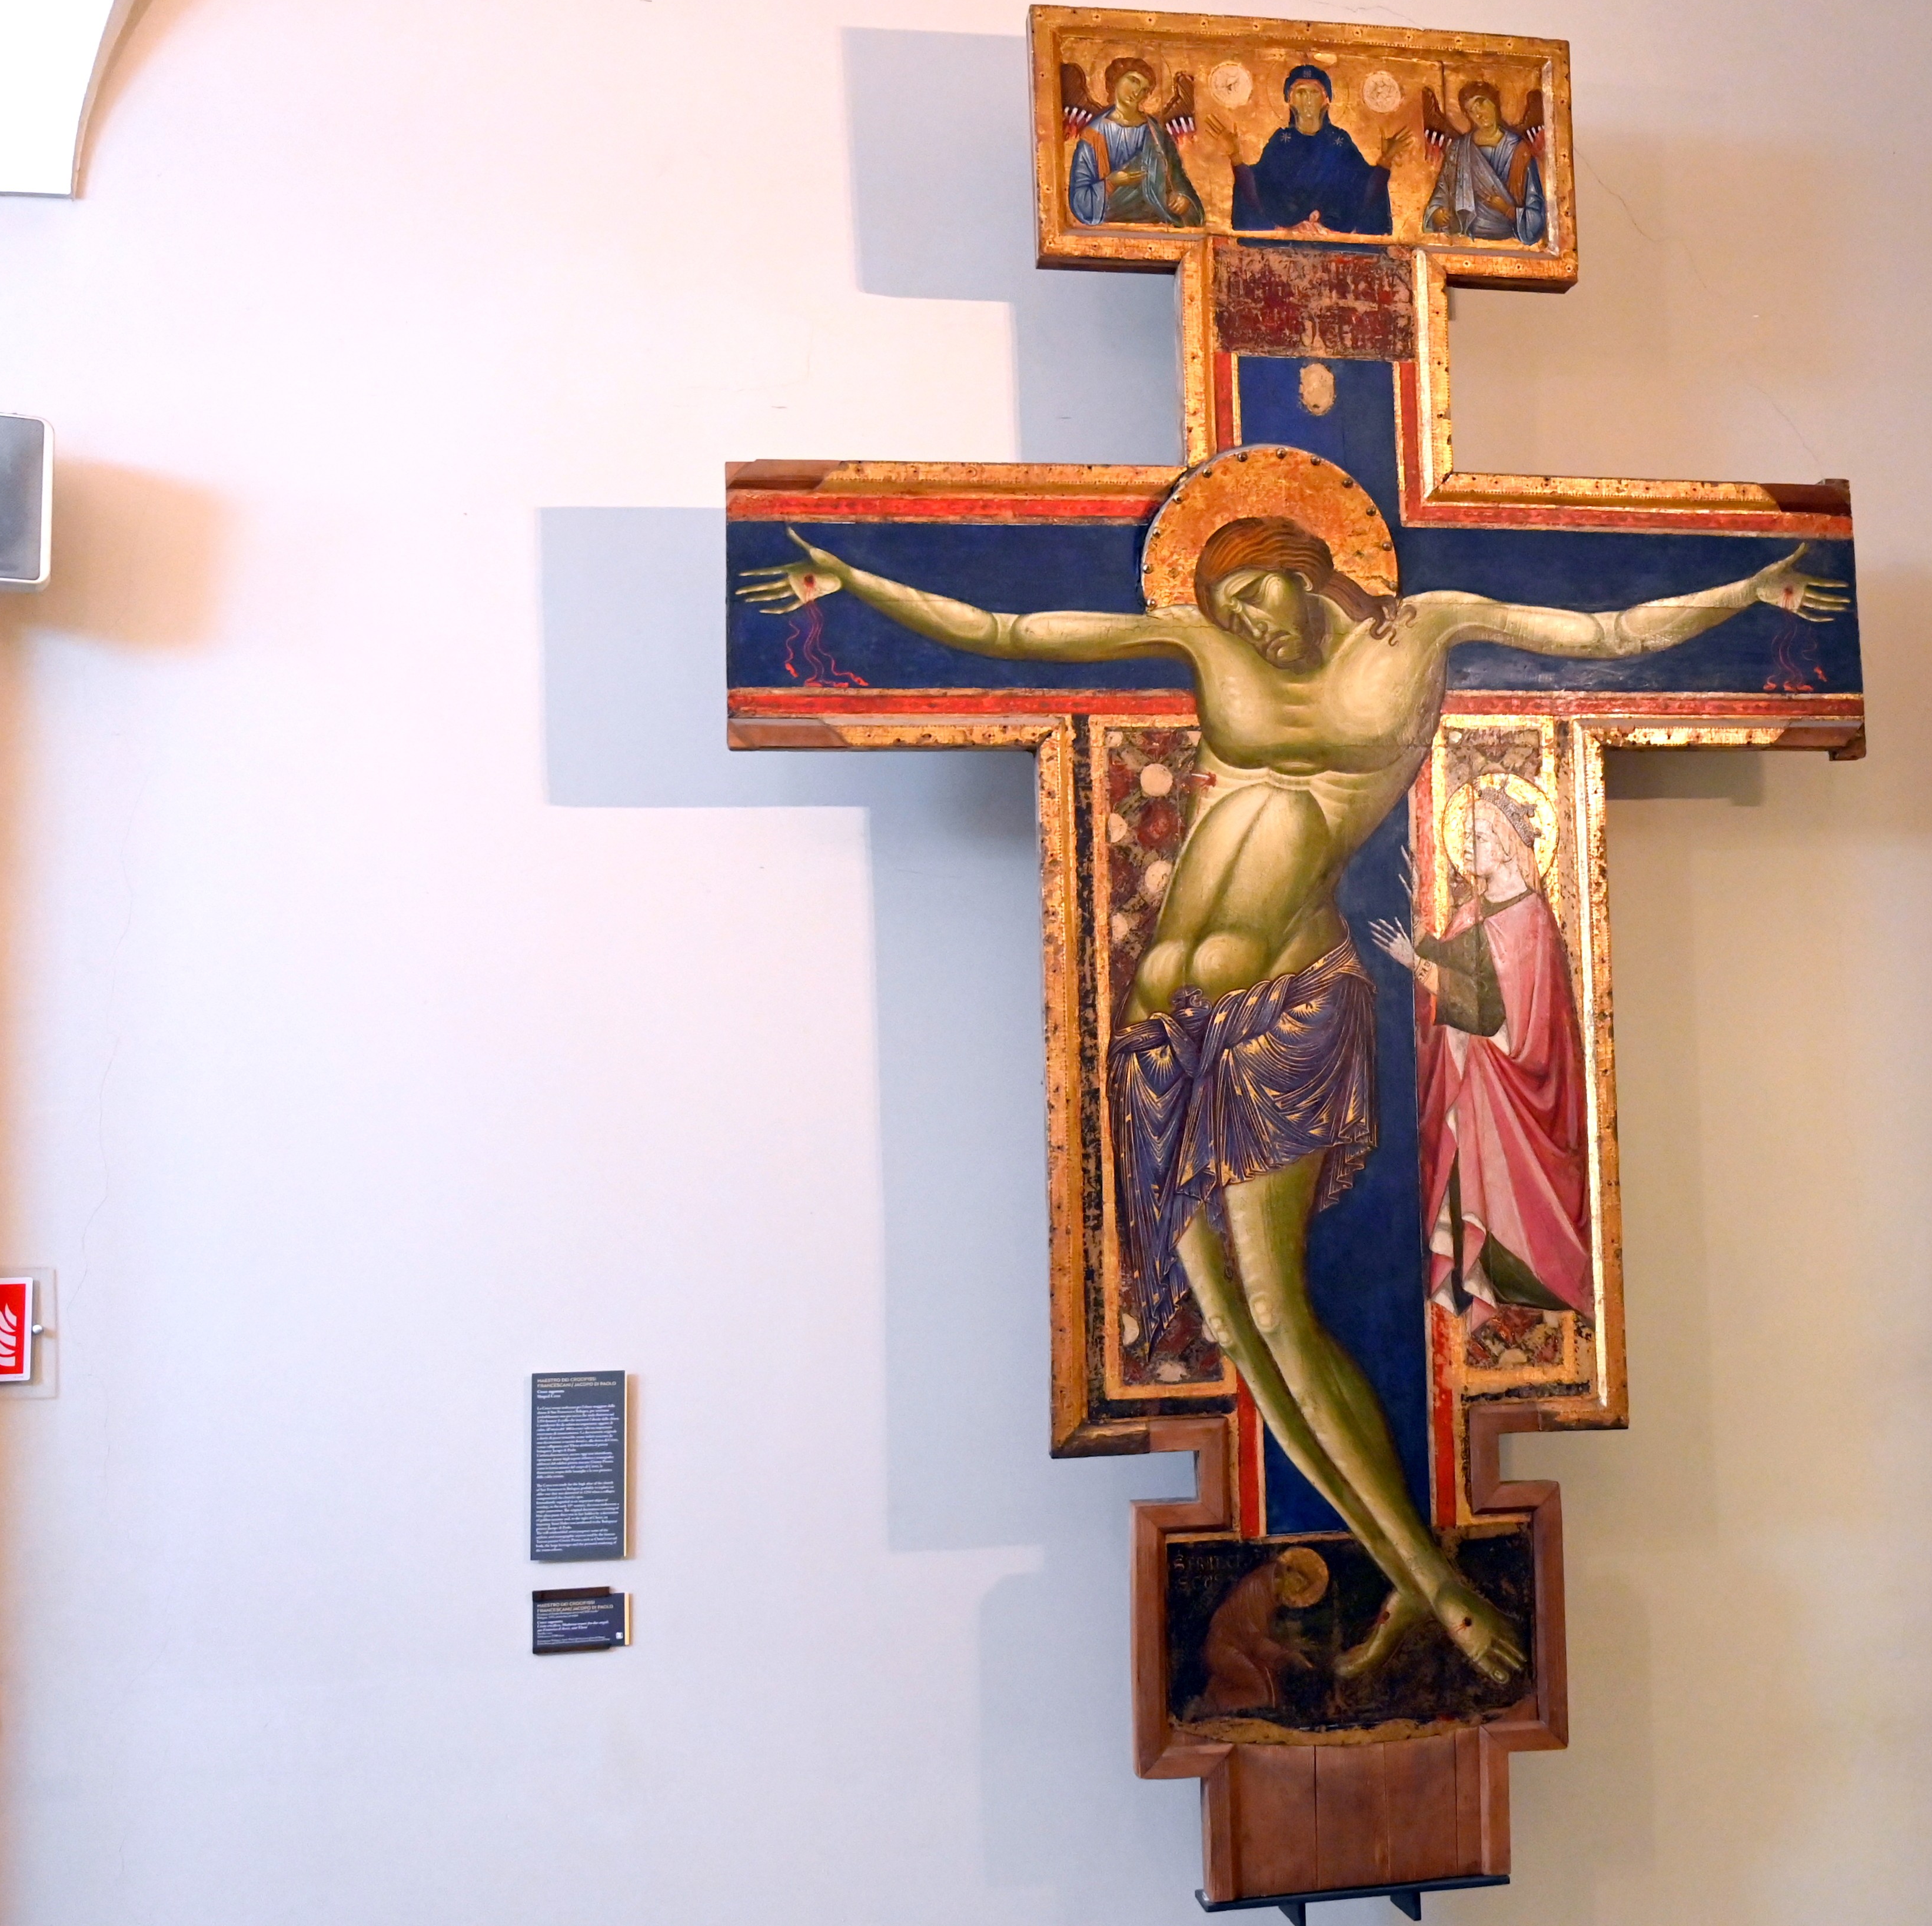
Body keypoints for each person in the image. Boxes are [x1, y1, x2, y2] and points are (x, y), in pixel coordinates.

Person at [737, 511, 1847, 1682]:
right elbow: (1010, 631)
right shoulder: (1205, 648)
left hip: (1284, 1008)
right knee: (1230, 1329)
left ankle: (1446, 1593)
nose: (1248, 625)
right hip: (1161, 1031)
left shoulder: (1425, 628)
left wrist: (1751, 593)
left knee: (1279, 1312)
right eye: (1226, 610)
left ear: (1300, 567)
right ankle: (1418, 1581)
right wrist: (849, 579)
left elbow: (1605, 633)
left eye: (1254, 597)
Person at [1374, 785, 1590, 1319]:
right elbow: (1459, 963)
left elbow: (1492, 1012)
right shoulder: (1472, 914)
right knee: (1463, 1183)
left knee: (1506, 1201)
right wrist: (1419, 933)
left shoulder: (1531, 920)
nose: (1469, 848)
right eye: (1465, 838)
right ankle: (1474, 1282)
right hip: (1471, 1088)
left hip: (1513, 1095)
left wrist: (1416, 964)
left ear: (1510, 844)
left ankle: (1525, 1278)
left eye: (1480, 837)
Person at [1223, 64, 1401, 235]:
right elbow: (1258, 192)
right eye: (1301, 92)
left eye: (1314, 92)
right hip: (1287, 240)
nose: (1307, 100)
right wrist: (1235, 156)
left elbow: (1364, 192)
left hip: (1335, 240)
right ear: (1289, 99)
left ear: (1326, 99)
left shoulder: (1339, 143)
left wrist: (1386, 160)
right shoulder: (1281, 142)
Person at [1068, 56, 1204, 229]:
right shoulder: (1093, 136)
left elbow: (1179, 180)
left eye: (1145, 89)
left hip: (1156, 224)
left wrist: (1184, 201)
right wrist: (1111, 182)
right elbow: (1080, 199)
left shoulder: (1156, 134)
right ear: (1116, 80)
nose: (1137, 92)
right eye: (1133, 81)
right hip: (1110, 226)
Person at [1422, 82, 1545, 244]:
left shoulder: (1519, 150)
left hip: (1508, 238)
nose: (1479, 114)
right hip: (1467, 239)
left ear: (1494, 102)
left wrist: (1508, 210)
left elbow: (1536, 210)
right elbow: (1443, 190)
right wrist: (1437, 212)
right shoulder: (1459, 149)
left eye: (1481, 103)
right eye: (1471, 111)